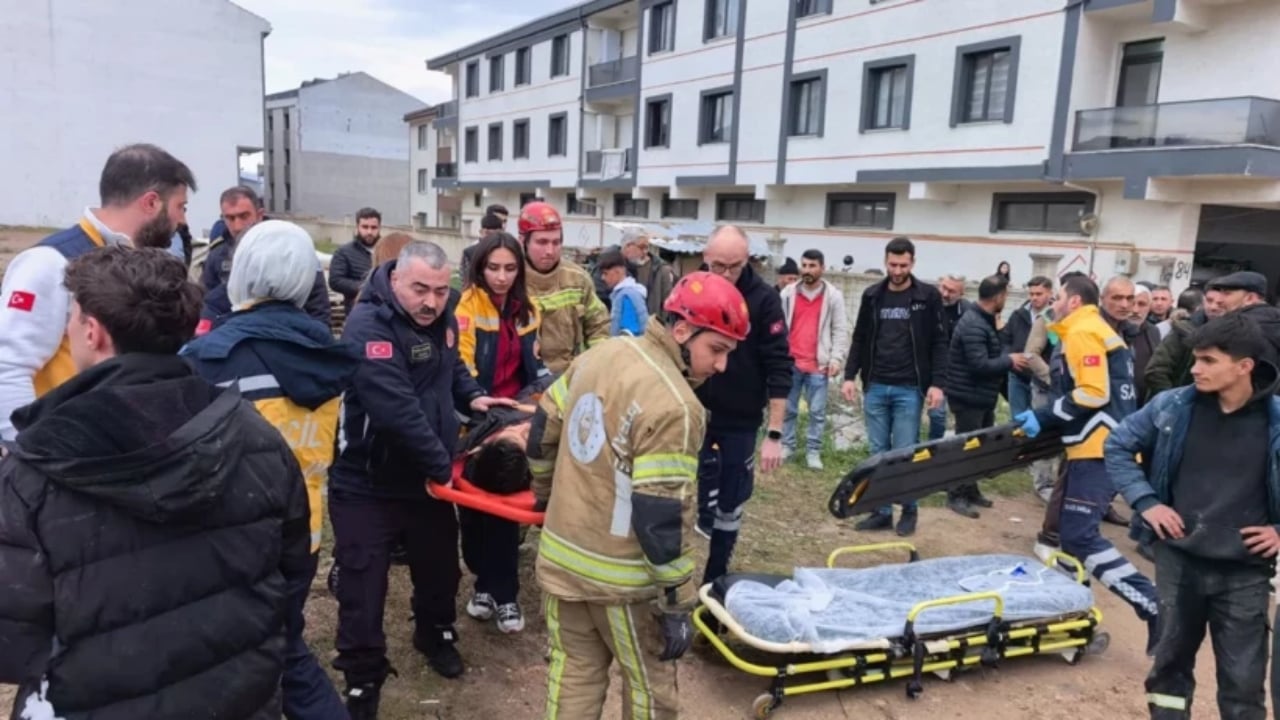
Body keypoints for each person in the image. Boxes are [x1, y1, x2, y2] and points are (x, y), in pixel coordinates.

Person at [0, 247, 310, 719]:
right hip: (237, 696)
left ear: (92, 331)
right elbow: (292, 569)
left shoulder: (34, 471)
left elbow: (12, 639)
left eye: (72, 318)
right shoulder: (256, 435)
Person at [530, 271, 750, 720]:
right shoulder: (678, 406)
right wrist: (675, 603)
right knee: (651, 691)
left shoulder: (602, 354)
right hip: (625, 583)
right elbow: (660, 515)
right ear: (682, 331)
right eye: (717, 349)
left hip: (561, 560)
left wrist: (544, 494)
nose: (721, 366)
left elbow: (541, 430)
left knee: (573, 675)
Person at [182, 221, 359, 720]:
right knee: (281, 638)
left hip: (228, 538)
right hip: (303, 533)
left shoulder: (208, 358)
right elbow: (342, 444)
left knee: (274, 654)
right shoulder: (332, 357)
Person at [327, 241, 512, 716]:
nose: (431, 302)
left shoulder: (442, 316)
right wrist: (444, 468)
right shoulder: (367, 326)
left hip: (427, 478)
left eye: (440, 290)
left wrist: (473, 397)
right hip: (368, 478)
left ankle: (435, 633)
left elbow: (450, 369)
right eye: (420, 289)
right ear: (394, 280)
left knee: (440, 569)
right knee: (363, 583)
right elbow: (397, 411)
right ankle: (362, 674)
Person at [1106, 313, 1280, 720]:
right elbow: (1118, 445)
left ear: (1244, 366)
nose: (1196, 369)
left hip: (1245, 572)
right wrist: (1147, 502)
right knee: (1169, 670)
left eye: (1208, 361)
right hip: (1178, 562)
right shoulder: (1173, 406)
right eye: (1196, 359)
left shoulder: (1275, 421)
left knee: (1243, 683)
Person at [0, 143, 195, 441]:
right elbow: (7, 367)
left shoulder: (141, 263)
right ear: (151, 203)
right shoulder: (49, 263)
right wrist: (28, 452)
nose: (182, 221)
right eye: (181, 207)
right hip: (67, 452)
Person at [1014, 274, 1159, 650]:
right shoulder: (1092, 330)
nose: (1054, 303)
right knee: (1069, 537)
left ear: (1074, 301)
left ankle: (1154, 606)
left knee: (1080, 536)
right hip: (1096, 447)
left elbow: (1093, 392)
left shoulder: (1082, 331)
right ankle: (1073, 620)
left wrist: (1045, 416)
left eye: (1059, 297)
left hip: (1099, 449)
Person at [455, 232, 550, 636]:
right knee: (473, 511)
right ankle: (485, 581)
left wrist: (537, 403)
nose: (501, 276)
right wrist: (489, 408)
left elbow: (537, 371)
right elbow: (462, 373)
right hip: (477, 419)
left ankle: (502, 593)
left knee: (503, 511)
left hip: (517, 418)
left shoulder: (528, 310)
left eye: (510, 268)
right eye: (493, 267)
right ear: (479, 268)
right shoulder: (465, 308)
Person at [695, 225, 793, 583]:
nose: (725, 274)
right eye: (717, 266)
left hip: (739, 417)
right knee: (678, 494)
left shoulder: (764, 300)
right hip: (692, 412)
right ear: (706, 258)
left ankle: (715, 578)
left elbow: (779, 365)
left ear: (747, 260)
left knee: (731, 501)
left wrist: (775, 433)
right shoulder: (693, 289)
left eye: (733, 267)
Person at [842, 237, 947, 537]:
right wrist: (849, 376)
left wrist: (938, 384)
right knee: (877, 452)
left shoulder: (927, 296)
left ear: (912, 263)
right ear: (885, 261)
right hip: (875, 384)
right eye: (892, 264)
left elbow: (940, 342)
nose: (897, 271)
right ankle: (882, 511)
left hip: (909, 387)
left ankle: (909, 509)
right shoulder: (873, 295)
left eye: (903, 265)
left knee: (904, 452)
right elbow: (860, 337)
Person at [945, 275, 1028, 517]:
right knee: (967, 447)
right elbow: (979, 365)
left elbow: (992, 350)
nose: (1006, 300)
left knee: (980, 447)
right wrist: (1009, 360)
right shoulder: (974, 323)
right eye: (1006, 295)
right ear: (999, 296)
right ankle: (956, 494)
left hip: (981, 396)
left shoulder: (985, 320)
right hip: (968, 397)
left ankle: (971, 489)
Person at [198, 186, 331, 331]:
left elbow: (317, 305)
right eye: (230, 218)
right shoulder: (217, 255)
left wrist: (317, 336)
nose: (237, 226)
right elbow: (207, 304)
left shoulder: (290, 249)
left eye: (244, 216)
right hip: (235, 335)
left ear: (259, 215)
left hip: (290, 333)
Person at [517, 201, 610, 373]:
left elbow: (599, 325)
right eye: (542, 242)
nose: (550, 251)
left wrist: (594, 364)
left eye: (556, 242)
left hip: (572, 375)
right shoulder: (511, 279)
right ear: (523, 241)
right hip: (526, 379)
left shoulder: (578, 278)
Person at [779, 249, 850, 470]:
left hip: (818, 364)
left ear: (822, 268)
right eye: (805, 265)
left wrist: (836, 358)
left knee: (817, 413)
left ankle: (813, 451)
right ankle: (787, 446)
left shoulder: (833, 296)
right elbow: (779, 325)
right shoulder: (788, 293)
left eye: (812, 266)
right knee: (788, 409)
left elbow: (840, 329)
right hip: (791, 362)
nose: (807, 270)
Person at [1146, 287, 1224, 398]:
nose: (1213, 307)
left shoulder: (1238, 333)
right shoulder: (1183, 330)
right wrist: (1175, 400)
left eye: (1220, 303)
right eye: (1209, 300)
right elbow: (1156, 370)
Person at [1003, 276, 1054, 418]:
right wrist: (1010, 358)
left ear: (1050, 293)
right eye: (1031, 294)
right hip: (1018, 375)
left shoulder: (1056, 316)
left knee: (1040, 419)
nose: (1034, 298)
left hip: (1043, 380)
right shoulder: (1018, 315)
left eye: (1039, 294)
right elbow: (1005, 340)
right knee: (1018, 419)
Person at [1205, 271, 1280, 363]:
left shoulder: (1238, 328)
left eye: (1227, 293)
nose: (1219, 300)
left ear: (1250, 298)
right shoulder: (1273, 321)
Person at [930, 274, 971, 442]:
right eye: (943, 288)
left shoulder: (968, 312)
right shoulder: (929, 305)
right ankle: (932, 444)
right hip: (932, 367)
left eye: (951, 291)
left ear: (961, 293)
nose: (945, 294)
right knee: (936, 413)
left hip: (957, 371)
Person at [330, 207, 382, 314]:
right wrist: (365, 287)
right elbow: (335, 281)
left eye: (373, 227)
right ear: (357, 227)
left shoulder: (386, 250)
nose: (369, 232)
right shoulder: (344, 252)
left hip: (385, 313)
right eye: (365, 227)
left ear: (379, 228)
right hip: (358, 312)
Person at [621, 229, 676, 315]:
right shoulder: (615, 267)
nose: (645, 252)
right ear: (628, 246)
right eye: (641, 247)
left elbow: (668, 304)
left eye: (647, 247)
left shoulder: (661, 270)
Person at [597, 247, 649, 336]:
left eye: (605, 273)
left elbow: (629, 333)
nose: (602, 278)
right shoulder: (630, 293)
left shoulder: (626, 296)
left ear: (617, 272)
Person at [462, 213, 506, 285]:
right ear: (481, 232)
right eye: (488, 233)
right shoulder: (470, 253)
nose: (491, 238)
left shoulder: (508, 252)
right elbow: (466, 281)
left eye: (495, 234)